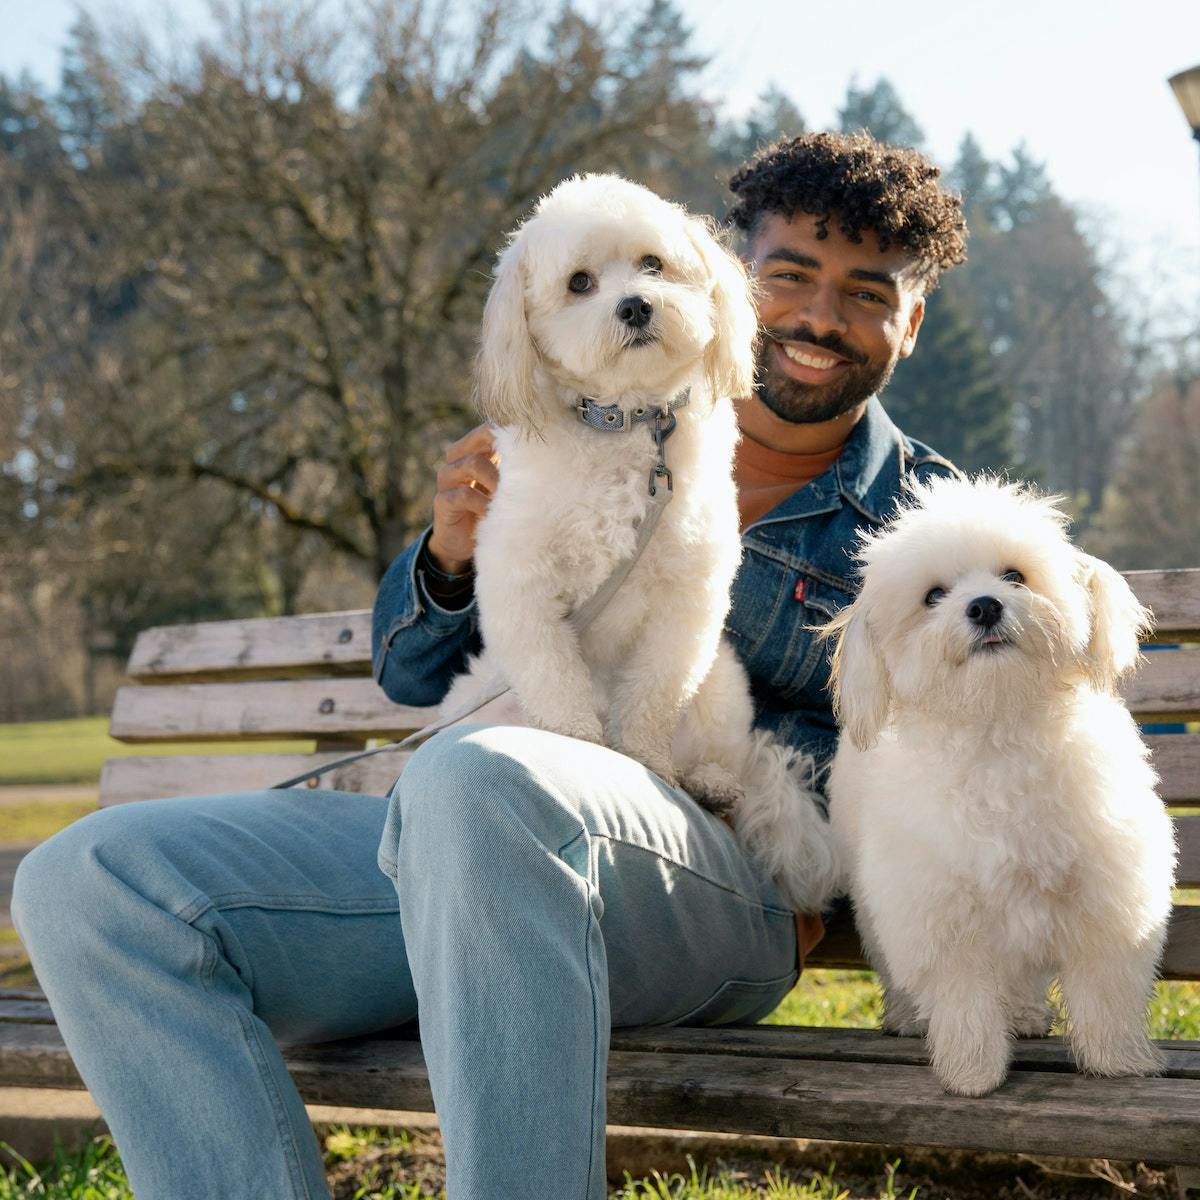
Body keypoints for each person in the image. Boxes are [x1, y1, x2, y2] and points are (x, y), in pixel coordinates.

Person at [13, 131, 967, 1200]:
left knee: (484, 782)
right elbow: (411, 675)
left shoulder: (932, 530)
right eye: (792, 274)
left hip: (715, 881)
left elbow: (966, 762)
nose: (820, 318)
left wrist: (805, 842)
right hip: (472, 834)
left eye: (867, 294)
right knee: (90, 882)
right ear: (740, 275)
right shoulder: (565, 409)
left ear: (910, 320)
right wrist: (450, 557)